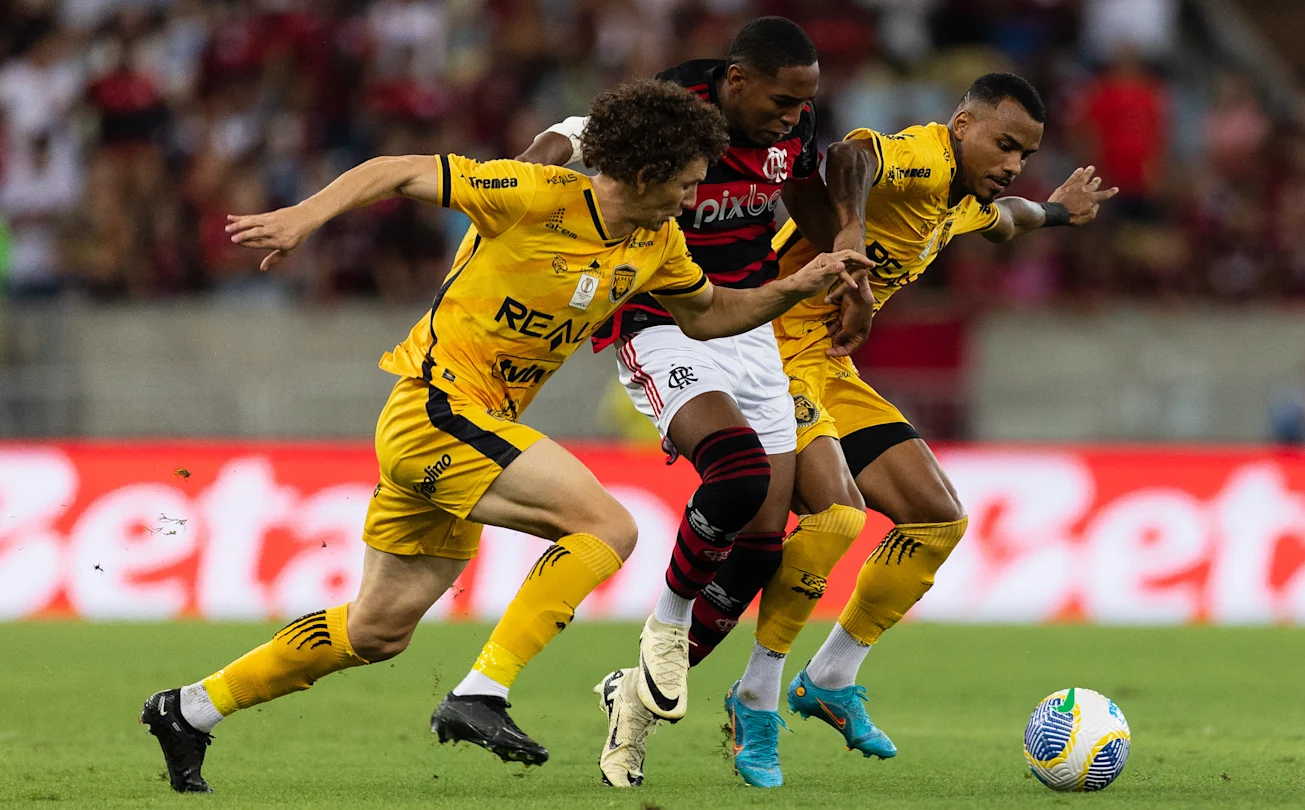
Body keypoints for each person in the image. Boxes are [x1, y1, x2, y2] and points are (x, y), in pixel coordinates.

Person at [139, 78, 870, 794]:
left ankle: (188, 710)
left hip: (475, 429)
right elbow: (394, 170)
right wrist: (304, 216)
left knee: (376, 632)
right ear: (645, 174)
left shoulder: (657, 244)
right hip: (434, 411)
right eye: (684, 184)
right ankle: (481, 692)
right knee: (606, 527)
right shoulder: (534, 194)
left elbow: (711, 315)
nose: (691, 200)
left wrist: (798, 286)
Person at [600, 73, 1119, 789]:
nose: (1010, 164)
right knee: (837, 517)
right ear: (962, 124)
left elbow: (1009, 221)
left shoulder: (965, 200)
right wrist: (849, 231)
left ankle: (832, 678)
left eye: (1024, 155)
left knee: (938, 518)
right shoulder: (923, 158)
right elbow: (849, 157)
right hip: (771, 353)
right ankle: (755, 696)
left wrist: (1059, 213)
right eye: (1002, 144)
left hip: (828, 371)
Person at [516, 18, 871, 787]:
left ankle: (632, 702)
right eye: (781, 100)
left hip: (751, 322)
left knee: (761, 548)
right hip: (661, 316)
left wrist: (849, 265)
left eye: (803, 103)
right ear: (737, 80)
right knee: (736, 473)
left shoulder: (791, 126)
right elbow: (572, 135)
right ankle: (667, 626)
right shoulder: (672, 104)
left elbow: (807, 196)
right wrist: (527, 175)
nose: (792, 115)